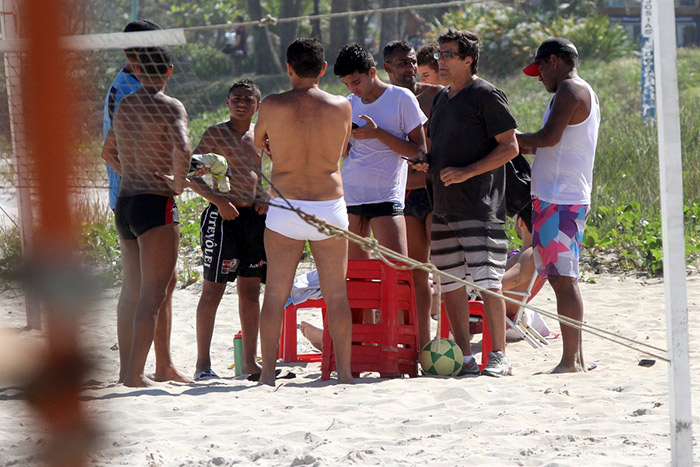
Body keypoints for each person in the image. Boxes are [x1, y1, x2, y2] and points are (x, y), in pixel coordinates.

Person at [411, 29, 519, 377]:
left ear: (468, 59)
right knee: (451, 285)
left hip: (480, 207)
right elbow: (439, 146)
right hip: (442, 206)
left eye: (448, 55)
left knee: (488, 283)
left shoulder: (486, 94)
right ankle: (465, 357)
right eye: (439, 54)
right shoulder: (442, 99)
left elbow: (510, 147)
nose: (440, 61)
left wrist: (467, 172)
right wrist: (425, 161)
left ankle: (498, 356)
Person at [255, 38, 355, 386]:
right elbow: (341, 150)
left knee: (275, 294)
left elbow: (260, 147)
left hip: (286, 203)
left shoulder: (270, 104)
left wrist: (278, 153)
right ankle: (343, 373)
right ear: (323, 69)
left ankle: (267, 374)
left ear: (288, 68)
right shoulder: (341, 106)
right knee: (336, 294)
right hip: (328, 206)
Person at [103, 20, 189, 385]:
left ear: (138, 67)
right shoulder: (171, 106)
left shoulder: (124, 104)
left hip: (125, 201)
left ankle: (130, 371)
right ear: (169, 70)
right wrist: (177, 182)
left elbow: (106, 151)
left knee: (135, 290)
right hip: (154, 203)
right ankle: (135, 375)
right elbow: (184, 149)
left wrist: (136, 168)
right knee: (153, 295)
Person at [516, 37, 600, 373]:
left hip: (561, 198)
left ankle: (570, 360)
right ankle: (575, 357)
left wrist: (508, 140)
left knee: (563, 278)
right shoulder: (574, 92)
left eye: (539, 69)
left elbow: (548, 138)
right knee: (560, 277)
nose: (538, 77)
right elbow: (549, 144)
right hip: (558, 197)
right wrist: (521, 142)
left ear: (554, 61)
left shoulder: (570, 90)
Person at [188, 80, 267, 381]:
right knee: (213, 289)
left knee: (250, 290)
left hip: (253, 220)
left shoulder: (261, 134)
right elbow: (190, 172)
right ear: (227, 102)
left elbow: (283, 167)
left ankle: (249, 362)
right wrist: (219, 201)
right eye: (236, 98)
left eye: (248, 99)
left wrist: (267, 197)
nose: (242, 103)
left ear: (257, 105)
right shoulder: (215, 134)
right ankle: (202, 365)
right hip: (223, 220)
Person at [333, 43, 427, 259]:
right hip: (352, 195)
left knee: (398, 270)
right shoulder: (349, 103)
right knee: (357, 276)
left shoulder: (401, 98)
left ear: (372, 72)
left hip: (386, 195)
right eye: (347, 84)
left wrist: (378, 133)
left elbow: (419, 153)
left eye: (356, 82)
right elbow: (346, 153)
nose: (353, 89)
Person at [383, 40, 442, 348]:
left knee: (445, 269)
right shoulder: (383, 101)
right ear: (387, 69)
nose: (410, 68)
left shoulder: (435, 96)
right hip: (402, 195)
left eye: (412, 62)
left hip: (433, 192)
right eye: (402, 64)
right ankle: (422, 344)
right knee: (417, 272)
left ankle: (447, 340)